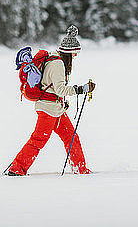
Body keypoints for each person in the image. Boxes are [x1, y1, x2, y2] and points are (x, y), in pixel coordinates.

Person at [6, 25, 96, 176]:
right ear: (69, 51)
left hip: (55, 108)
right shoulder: (58, 64)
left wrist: (61, 101)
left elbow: (54, 88)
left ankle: (80, 168)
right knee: (38, 140)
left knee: (71, 137)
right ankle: (17, 169)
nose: (75, 56)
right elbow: (60, 89)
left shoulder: (54, 57)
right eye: (75, 53)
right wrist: (82, 89)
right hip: (48, 110)